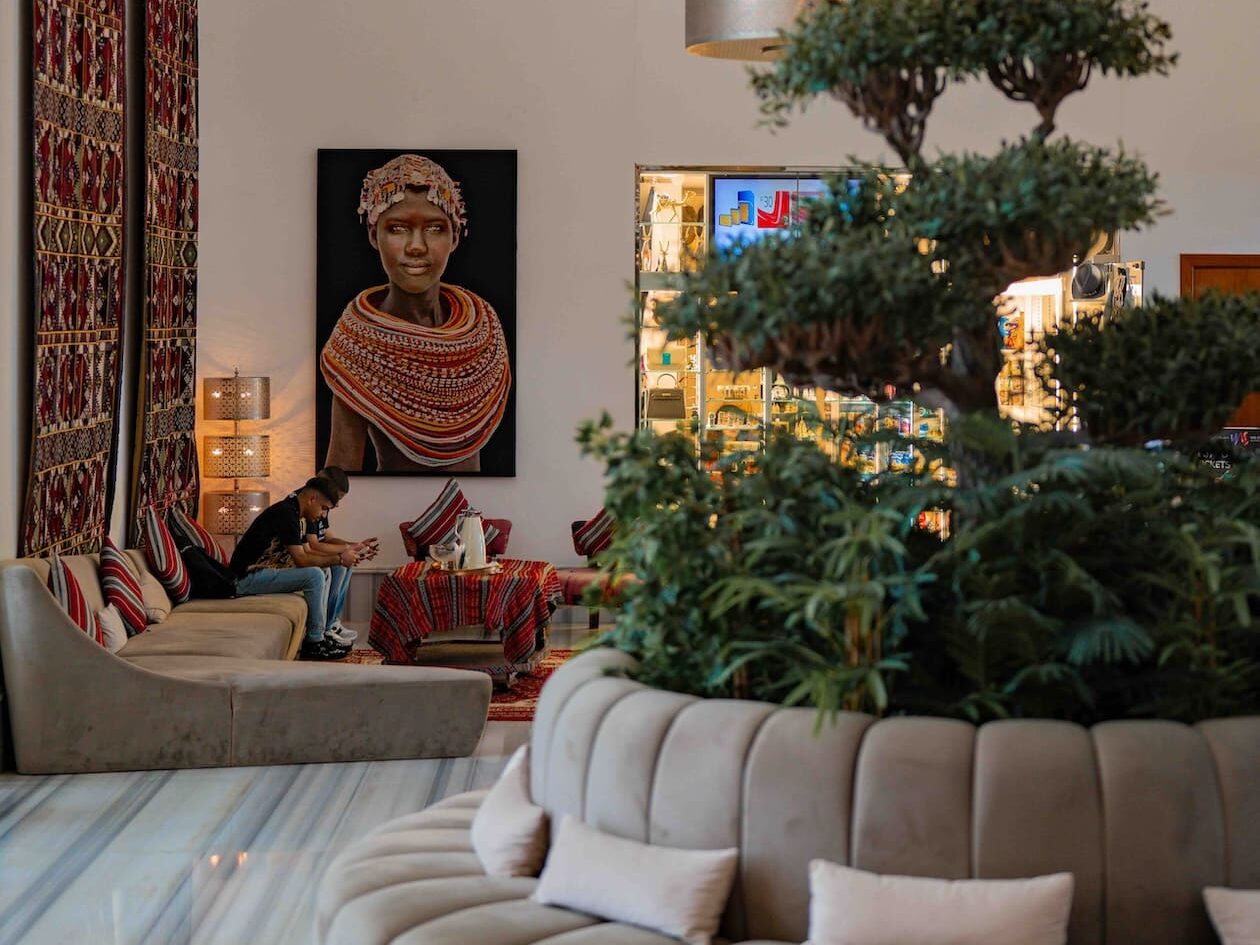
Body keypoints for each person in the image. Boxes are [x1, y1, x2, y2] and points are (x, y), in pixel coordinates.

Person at [320, 154, 511, 472]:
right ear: (374, 236)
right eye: (397, 228)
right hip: (389, 499)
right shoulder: (357, 347)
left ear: (455, 236)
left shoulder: (485, 331)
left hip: (472, 503)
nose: (416, 246)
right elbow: (340, 472)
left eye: (435, 228)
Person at [230, 477, 359, 660]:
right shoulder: (286, 513)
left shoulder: (297, 514)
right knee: (314, 574)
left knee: (323, 570)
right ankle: (314, 643)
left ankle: (323, 633)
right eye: (323, 508)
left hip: (265, 572)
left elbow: (307, 553)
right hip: (245, 578)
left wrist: (342, 556)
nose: (323, 515)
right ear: (312, 499)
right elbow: (302, 560)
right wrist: (340, 558)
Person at [302, 466, 379, 646]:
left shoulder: (323, 506)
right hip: (306, 555)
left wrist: (356, 545)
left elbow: (328, 537)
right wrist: (346, 550)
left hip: (315, 551)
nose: (337, 504)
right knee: (339, 565)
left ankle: (333, 622)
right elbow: (313, 544)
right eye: (337, 497)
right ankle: (327, 627)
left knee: (346, 564)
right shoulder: (310, 505)